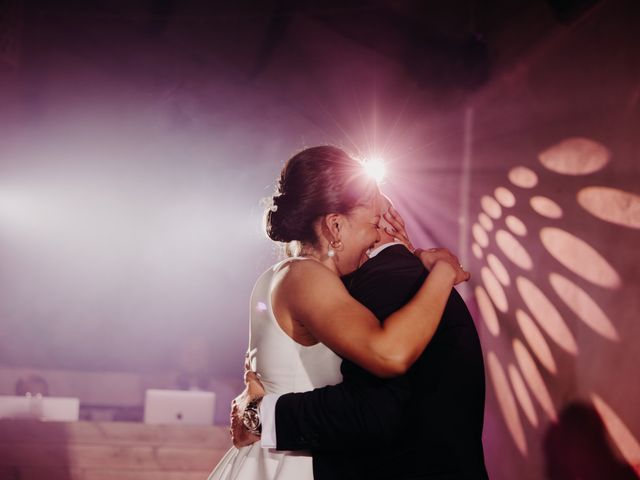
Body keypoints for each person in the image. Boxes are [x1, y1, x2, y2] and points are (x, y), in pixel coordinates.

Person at [208, 146, 469, 480]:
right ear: (334, 226)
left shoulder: (294, 276)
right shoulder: (304, 276)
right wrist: (443, 273)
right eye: (375, 223)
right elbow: (389, 354)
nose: (378, 236)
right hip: (293, 466)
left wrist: (408, 254)